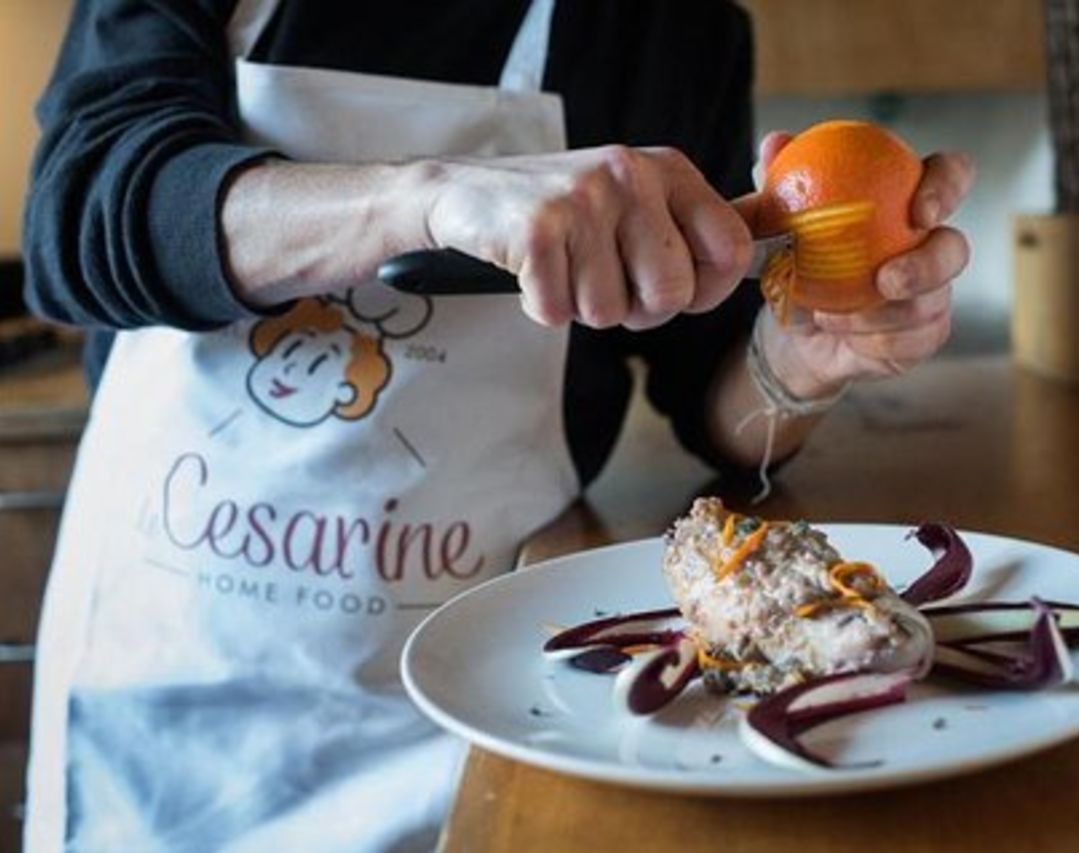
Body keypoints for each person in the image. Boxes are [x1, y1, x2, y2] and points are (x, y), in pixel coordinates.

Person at [21, 0, 974, 849]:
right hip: (167, 683)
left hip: (478, 694)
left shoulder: (671, 27)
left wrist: (802, 360)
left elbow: (714, 404)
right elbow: (83, 211)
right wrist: (424, 199)